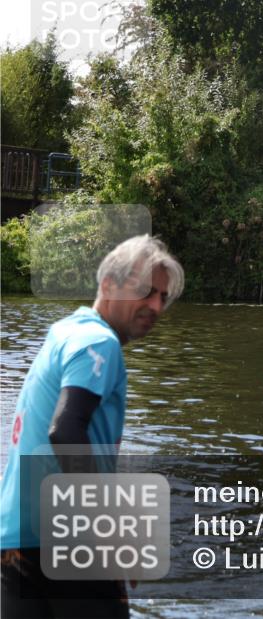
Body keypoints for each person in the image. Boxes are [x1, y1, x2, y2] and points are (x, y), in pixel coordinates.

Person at [0, 235, 184, 619]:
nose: (155, 306)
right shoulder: (100, 343)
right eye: (146, 292)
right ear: (108, 285)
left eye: (162, 298)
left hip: (14, 541)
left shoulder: (64, 331)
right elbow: (65, 431)